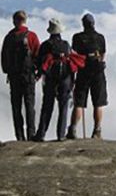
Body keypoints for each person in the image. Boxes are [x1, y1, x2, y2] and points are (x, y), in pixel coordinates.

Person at [32, 18, 78, 141]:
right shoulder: (66, 45)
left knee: (47, 105)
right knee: (63, 106)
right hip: (65, 78)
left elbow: (39, 62)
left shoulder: (45, 46)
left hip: (50, 78)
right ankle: (61, 134)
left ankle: (41, 134)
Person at [66, 14, 108, 140]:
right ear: (94, 23)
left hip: (83, 72)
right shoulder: (100, 38)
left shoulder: (77, 38)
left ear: (83, 24)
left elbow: (74, 55)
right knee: (98, 103)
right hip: (98, 73)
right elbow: (102, 55)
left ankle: (73, 129)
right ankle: (97, 130)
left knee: (79, 103)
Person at [1, 10, 40, 141]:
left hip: (14, 77)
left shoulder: (9, 37)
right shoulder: (32, 36)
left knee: (16, 106)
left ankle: (19, 135)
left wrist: (8, 71)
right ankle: (31, 134)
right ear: (25, 20)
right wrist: (38, 72)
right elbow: (38, 55)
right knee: (30, 106)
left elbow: (3, 59)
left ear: (14, 21)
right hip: (28, 76)